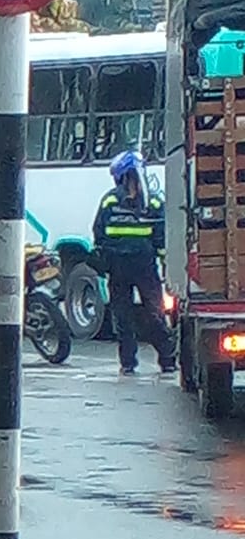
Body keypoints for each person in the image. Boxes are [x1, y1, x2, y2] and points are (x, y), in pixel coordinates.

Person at [94, 149, 175, 376]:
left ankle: (166, 360)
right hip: (125, 268)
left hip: (140, 268)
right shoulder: (112, 200)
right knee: (127, 317)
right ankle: (130, 362)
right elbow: (99, 233)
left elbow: (161, 236)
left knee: (149, 315)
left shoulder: (152, 203)